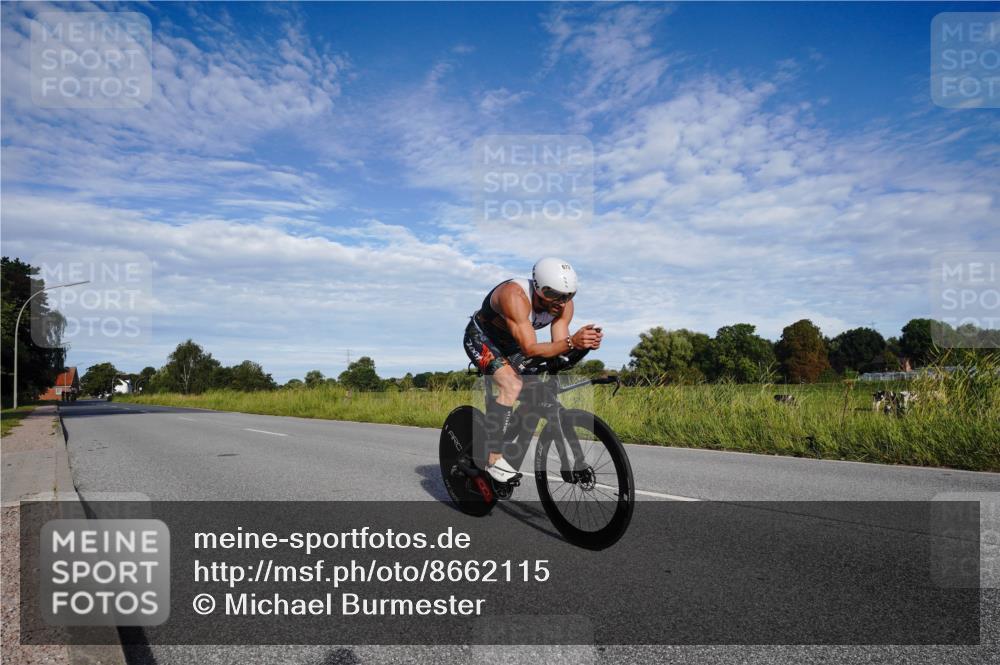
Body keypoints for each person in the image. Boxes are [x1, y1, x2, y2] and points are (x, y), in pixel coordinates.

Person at [463, 257, 603, 483]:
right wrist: (572, 342)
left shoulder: (564, 305)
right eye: (553, 294)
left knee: (538, 394)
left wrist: (583, 346)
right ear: (538, 288)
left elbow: (558, 350)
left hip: (513, 345)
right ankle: (493, 458)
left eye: (568, 295)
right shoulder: (514, 296)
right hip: (483, 339)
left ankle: (504, 436)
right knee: (512, 384)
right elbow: (530, 349)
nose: (560, 302)